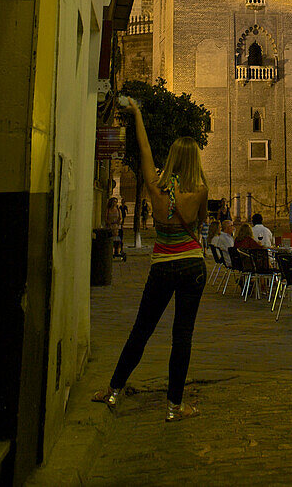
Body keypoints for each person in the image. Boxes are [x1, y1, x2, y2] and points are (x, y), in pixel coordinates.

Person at [92, 97, 208, 421]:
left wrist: (137, 113)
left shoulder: (157, 189)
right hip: (192, 265)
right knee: (182, 336)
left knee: (141, 330)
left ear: (172, 158)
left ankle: (114, 391)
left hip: (162, 266)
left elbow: (143, 151)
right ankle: (174, 407)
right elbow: (199, 224)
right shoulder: (200, 189)